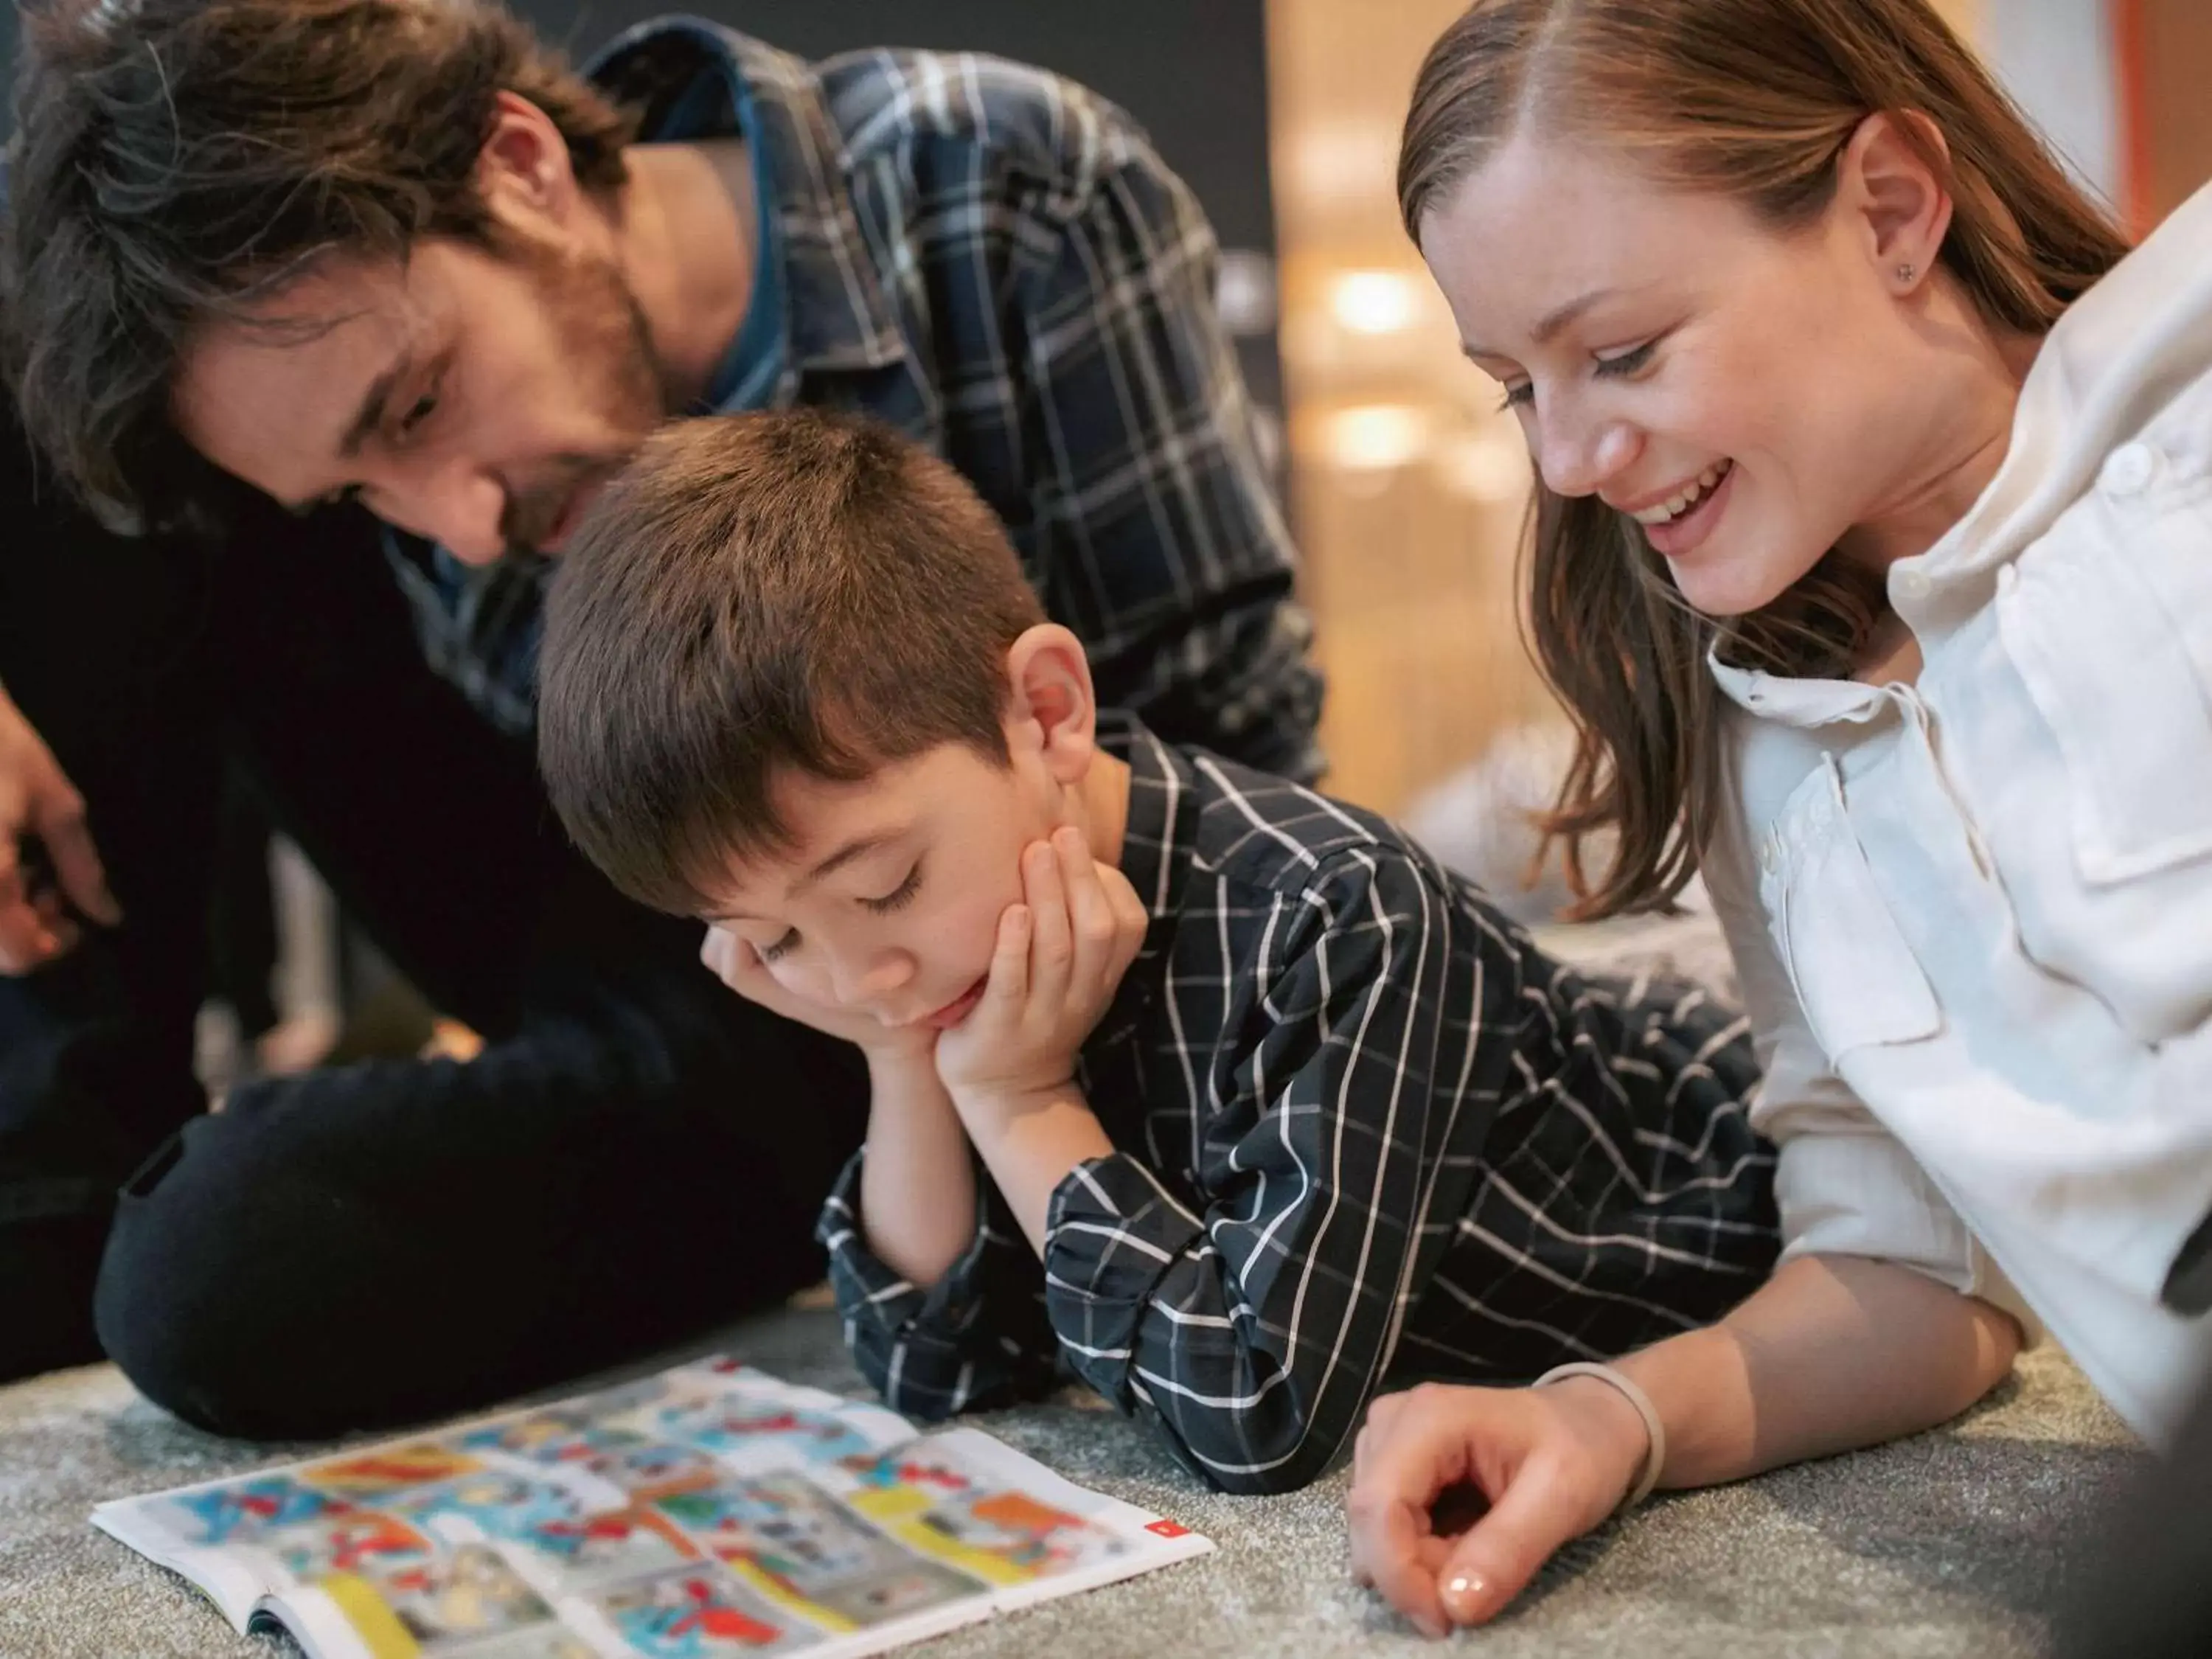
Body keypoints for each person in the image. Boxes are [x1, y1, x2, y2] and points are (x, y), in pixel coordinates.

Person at [0, 0, 1322, 1434]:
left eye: (425, 401)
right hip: (720, 995)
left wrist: (1019, 1067)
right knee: (207, 1266)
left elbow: (1245, 779)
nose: (459, 526)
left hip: (1057, 1008)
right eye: (360, 493)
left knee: (214, 1267)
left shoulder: (1002, 190)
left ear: (519, 165)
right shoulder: (461, 509)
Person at [1340, 0, 2212, 1636]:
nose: (1573, 461)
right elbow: (1913, 1269)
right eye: (1512, 387)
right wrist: (1609, 1420)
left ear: (1891, 208)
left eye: (1624, 353)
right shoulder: (1765, 739)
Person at [531, 407, 1780, 1496]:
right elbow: (935, 1368)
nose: (863, 973)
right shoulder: (942, 965)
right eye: (774, 940)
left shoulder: (1339, 916)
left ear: (1047, 713)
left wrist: (1025, 1105)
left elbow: (1259, 1416)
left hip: (1727, 1184)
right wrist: (906, 1059)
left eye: (888, 885)